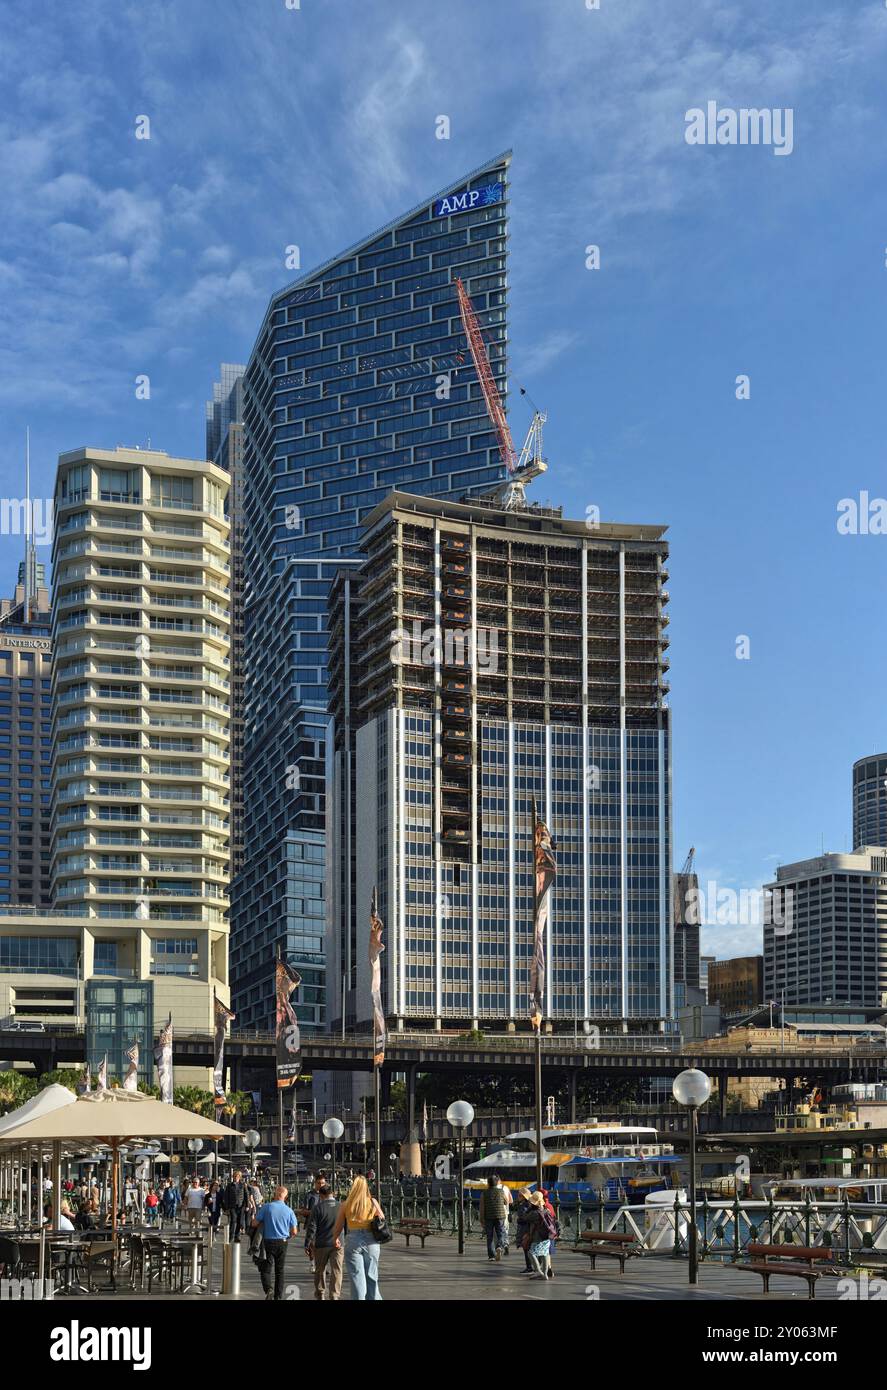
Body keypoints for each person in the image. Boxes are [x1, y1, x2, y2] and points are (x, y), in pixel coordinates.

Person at [332, 1174, 384, 1301]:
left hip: (353, 1239)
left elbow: (338, 1226)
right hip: (371, 1240)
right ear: (366, 1187)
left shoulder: (346, 1204)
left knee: (357, 1276)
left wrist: (335, 1238)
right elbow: (382, 1218)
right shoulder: (372, 1201)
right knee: (372, 1275)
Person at [252, 1185, 298, 1301]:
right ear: (285, 1197)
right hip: (282, 1242)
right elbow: (294, 1231)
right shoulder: (289, 1211)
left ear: (275, 1194)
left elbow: (255, 1223)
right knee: (280, 1270)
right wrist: (288, 1236)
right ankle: (278, 1296)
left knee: (265, 1268)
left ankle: (269, 1289)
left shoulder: (267, 1207)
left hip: (268, 1241)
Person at [304, 1183, 343, 1301]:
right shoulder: (341, 1206)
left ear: (321, 1195)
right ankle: (335, 1295)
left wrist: (308, 1243)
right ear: (332, 1194)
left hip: (321, 1243)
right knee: (337, 1270)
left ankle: (320, 1293)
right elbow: (345, 1226)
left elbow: (312, 1227)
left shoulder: (318, 1208)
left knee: (320, 1269)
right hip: (338, 1243)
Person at [524, 1191, 556, 1279]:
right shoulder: (547, 1210)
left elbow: (524, 1217)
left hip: (538, 1237)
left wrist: (529, 1208)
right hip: (548, 1236)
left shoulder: (534, 1213)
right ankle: (545, 1274)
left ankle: (538, 1271)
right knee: (545, 1254)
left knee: (531, 1253)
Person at [478, 1173, 508, 1261]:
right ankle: (499, 1246)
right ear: (497, 1183)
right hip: (500, 1216)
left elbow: (482, 1207)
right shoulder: (501, 1191)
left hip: (488, 1217)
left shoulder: (484, 1193)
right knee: (501, 1233)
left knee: (489, 1236)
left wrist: (481, 1219)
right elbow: (506, 1202)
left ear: (488, 1183)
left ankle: (491, 1255)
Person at [223, 1169, 249, 1241]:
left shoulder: (243, 1185)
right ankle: (231, 1236)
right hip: (232, 1206)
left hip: (241, 1206)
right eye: (235, 1176)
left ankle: (237, 1236)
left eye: (237, 1176)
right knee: (233, 1220)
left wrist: (247, 1205)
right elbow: (226, 1196)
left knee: (240, 1221)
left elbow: (246, 1195)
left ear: (239, 1177)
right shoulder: (229, 1185)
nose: (236, 1177)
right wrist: (227, 1207)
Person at [514, 1188, 535, 1272]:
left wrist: (519, 1220)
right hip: (527, 1229)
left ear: (523, 1197)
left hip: (524, 1229)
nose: (518, 1197)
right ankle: (531, 1266)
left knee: (526, 1248)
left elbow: (524, 1217)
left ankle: (529, 1267)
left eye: (519, 1195)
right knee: (527, 1248)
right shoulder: (527, 1204)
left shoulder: (524, 1205)